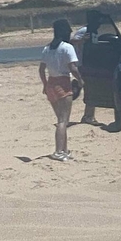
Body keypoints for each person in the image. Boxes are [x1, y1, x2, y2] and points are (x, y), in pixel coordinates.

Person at [39, 19, 84, 162]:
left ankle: (64, 150)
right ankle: (59, 151)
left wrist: (45, 84)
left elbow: (41, 69)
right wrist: (81, 81)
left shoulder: (47, 48)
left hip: (51, 83)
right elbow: (73, 68)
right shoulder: (67, 47)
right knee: (63, 120)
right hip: (63, 83)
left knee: (60, 118)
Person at [70, 24, 99, 125]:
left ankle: (77, 85)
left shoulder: (96, 31)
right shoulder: (84, 30)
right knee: (91, 89)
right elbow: (72, 41)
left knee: (91, 88)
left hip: (89, 63)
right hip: (82, 63)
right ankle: (88, 116)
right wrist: (82, 39)